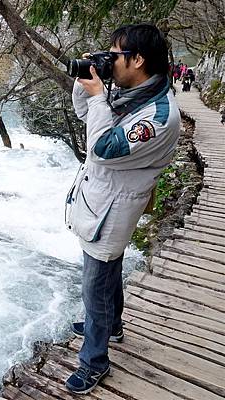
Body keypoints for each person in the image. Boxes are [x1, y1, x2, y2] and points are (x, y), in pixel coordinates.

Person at [64, 24, 180, 394]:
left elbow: (104, 148)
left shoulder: (158, 116)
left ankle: (94, 361)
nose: (110, 61)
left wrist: (99, 96)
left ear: (138, 59)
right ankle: (112, 324)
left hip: (112, 209)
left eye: (115, 55)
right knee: (109, 270)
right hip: (103, 200)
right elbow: (87, 116)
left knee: (94, 286)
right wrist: (87, 81)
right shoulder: (137, 92)